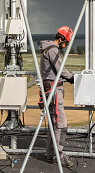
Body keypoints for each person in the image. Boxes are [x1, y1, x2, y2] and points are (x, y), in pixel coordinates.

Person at [39, 26, 75, 168]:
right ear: (60, 39)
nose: (66, 46)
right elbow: (60, 69)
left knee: (54, 125)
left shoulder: (47, 49)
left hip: (50, 90)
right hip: (54, 91)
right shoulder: (53, 49)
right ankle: (58, 156)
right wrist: (72, 77)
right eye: (66, 43)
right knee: (61, 124)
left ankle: (50, 155)